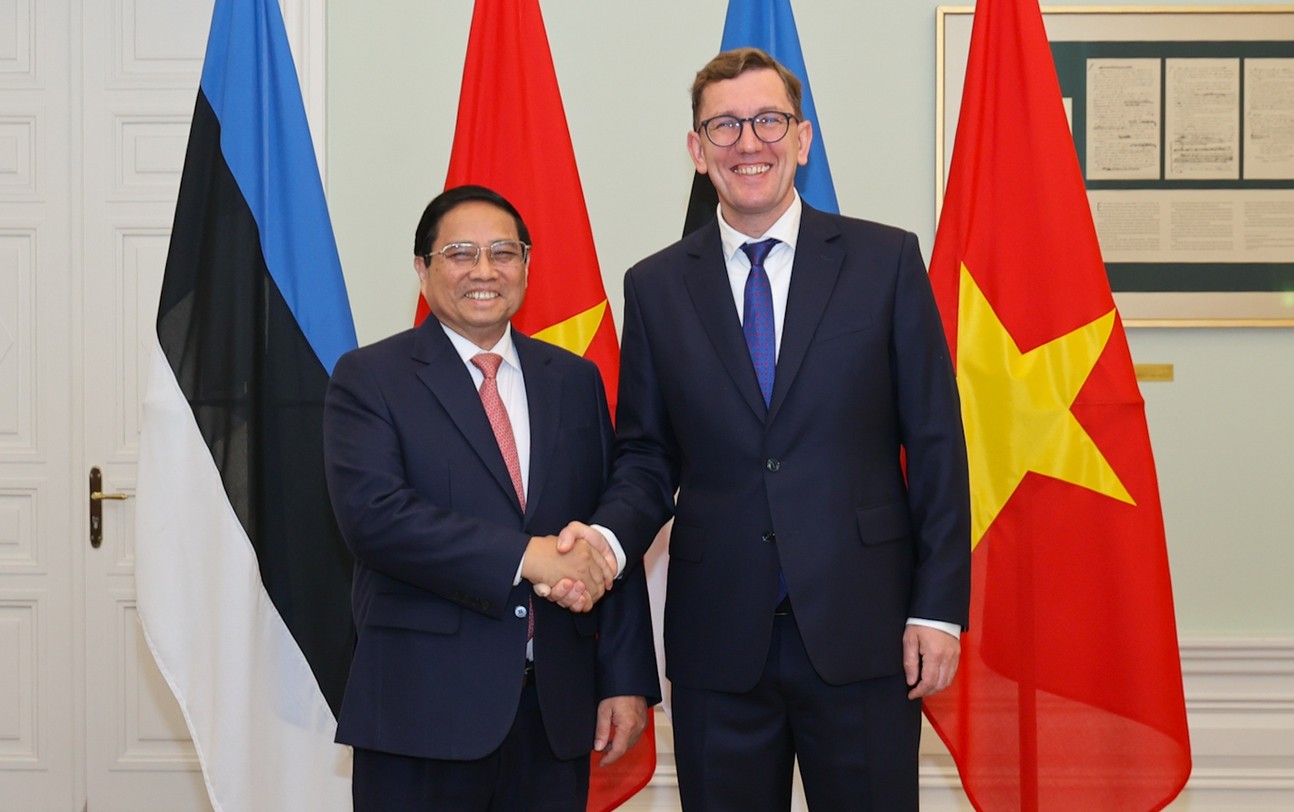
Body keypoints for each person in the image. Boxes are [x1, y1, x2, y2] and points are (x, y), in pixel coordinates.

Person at [561, 48, 971, 811]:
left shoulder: (884, 261)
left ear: (802, 139)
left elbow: (936, 444)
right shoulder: (655, 285)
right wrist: (605, 544)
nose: (747, 142)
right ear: (696, 150)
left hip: (865, 631)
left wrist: (936, 609)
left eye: (768, 121)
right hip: (718, 641)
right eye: (724, 126)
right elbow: (646, 454)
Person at [323, 184, 659, 812]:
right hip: (421, 714)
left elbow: (606, 532)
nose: (484, 270)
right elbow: (376, 519)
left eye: (504, 252)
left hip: (553, 712)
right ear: (422, 268)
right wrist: (527, 556)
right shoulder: (370, 378)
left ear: (527, 266)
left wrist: (625, 678)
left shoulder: (575, 380)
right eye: (460, 253)